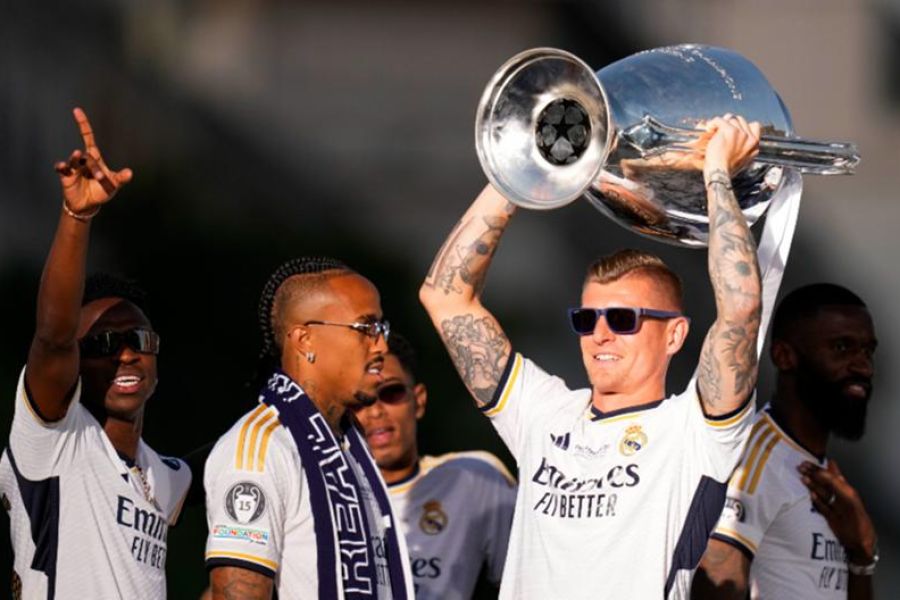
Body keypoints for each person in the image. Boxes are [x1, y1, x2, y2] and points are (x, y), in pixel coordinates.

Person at [419, 115, 764, 598]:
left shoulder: (693, 429)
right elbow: (445, 297)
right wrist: (522, 173)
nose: (600, 335)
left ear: (675, 335)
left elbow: (741, 308)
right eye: (587, 319)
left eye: (623, 320)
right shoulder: (542, 412)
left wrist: (716, 173)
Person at [0, 108, 191, 598]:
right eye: (104, 344)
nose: (126, 355)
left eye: (139, 341)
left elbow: (230, 461)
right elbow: (53, 337)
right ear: (77, 363)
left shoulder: (164, 476)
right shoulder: (54, 438)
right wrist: (77, 217)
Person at [203, 257, 414, 599]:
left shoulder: (350, 446)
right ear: (305, 339)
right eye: (366, 328)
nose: (381, 346)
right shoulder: (262, 447)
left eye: (381, 329)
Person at [692, 283, 878, 600]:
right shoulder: (753, 458)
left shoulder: (821, 474)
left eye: (867, 351)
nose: (864, 366)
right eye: (842, 348)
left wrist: (862, 555)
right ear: (784, 356)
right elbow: (714, 584)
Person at [352, 332, 516, 599]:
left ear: (419, 400)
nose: (376, 411)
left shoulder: (475, 480)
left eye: (391, 392)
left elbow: (531, 582)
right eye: (362, 400)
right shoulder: (318, 493)